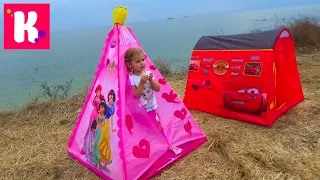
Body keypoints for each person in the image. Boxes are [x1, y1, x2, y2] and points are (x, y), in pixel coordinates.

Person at [124, 47, 163, 130]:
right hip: (142, 110)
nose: (142, 63)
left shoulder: (148, 73)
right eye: (138, 61)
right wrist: (141, 83)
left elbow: (157, 88)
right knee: (146, 128)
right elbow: (136, 96)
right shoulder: (131, 79)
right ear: (130, 65)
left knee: (157, 127)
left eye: (143, 59)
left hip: (152, 105)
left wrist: (151, 80)